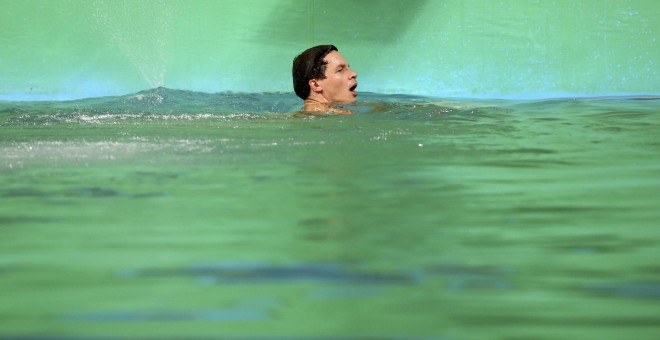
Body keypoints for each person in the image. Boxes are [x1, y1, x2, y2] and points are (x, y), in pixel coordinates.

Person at [292, 45, 358, 114]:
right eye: (340, 70)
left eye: (348, 68)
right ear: (315, 85)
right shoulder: (339, 116)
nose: (354, 74)